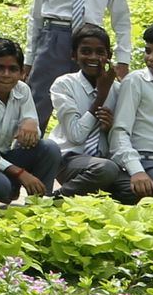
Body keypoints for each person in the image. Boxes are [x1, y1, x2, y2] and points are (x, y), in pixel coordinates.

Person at [42, 25, 131, 197]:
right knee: (106, 169)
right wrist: (101, 96)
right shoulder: (64, 84)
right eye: (85, 51)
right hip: (69, 158)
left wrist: (110, 128)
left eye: (100, 52)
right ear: (74, 55)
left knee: (132, 188)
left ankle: (90, 194)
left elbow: (122, 136)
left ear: (109, 56)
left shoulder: (118, 89)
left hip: (104, 159)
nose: (93, 57)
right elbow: (76, 135)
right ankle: (57, 197)